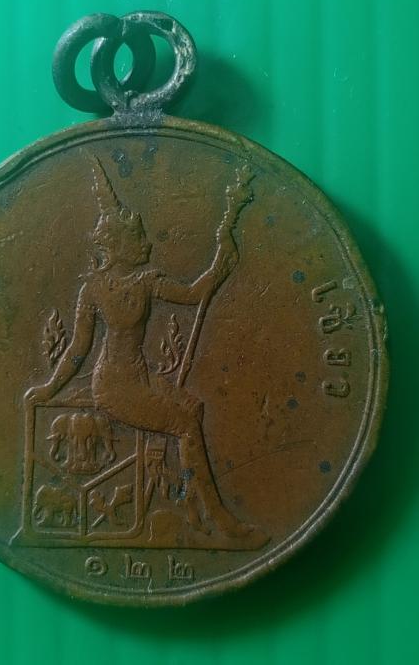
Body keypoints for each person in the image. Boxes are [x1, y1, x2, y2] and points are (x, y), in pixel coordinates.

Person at [25, 156, 267, 546]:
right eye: (138, 238)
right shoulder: (93, 289)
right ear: (117, 246)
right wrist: (50, 388)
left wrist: (222, 256)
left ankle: (189, 494)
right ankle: (222, 521)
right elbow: (78, 349)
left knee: (192, 408)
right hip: (114, 388)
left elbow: (194, 294)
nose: (148, 243)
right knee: (185, 425)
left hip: (140, 379)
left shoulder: (147, 280)